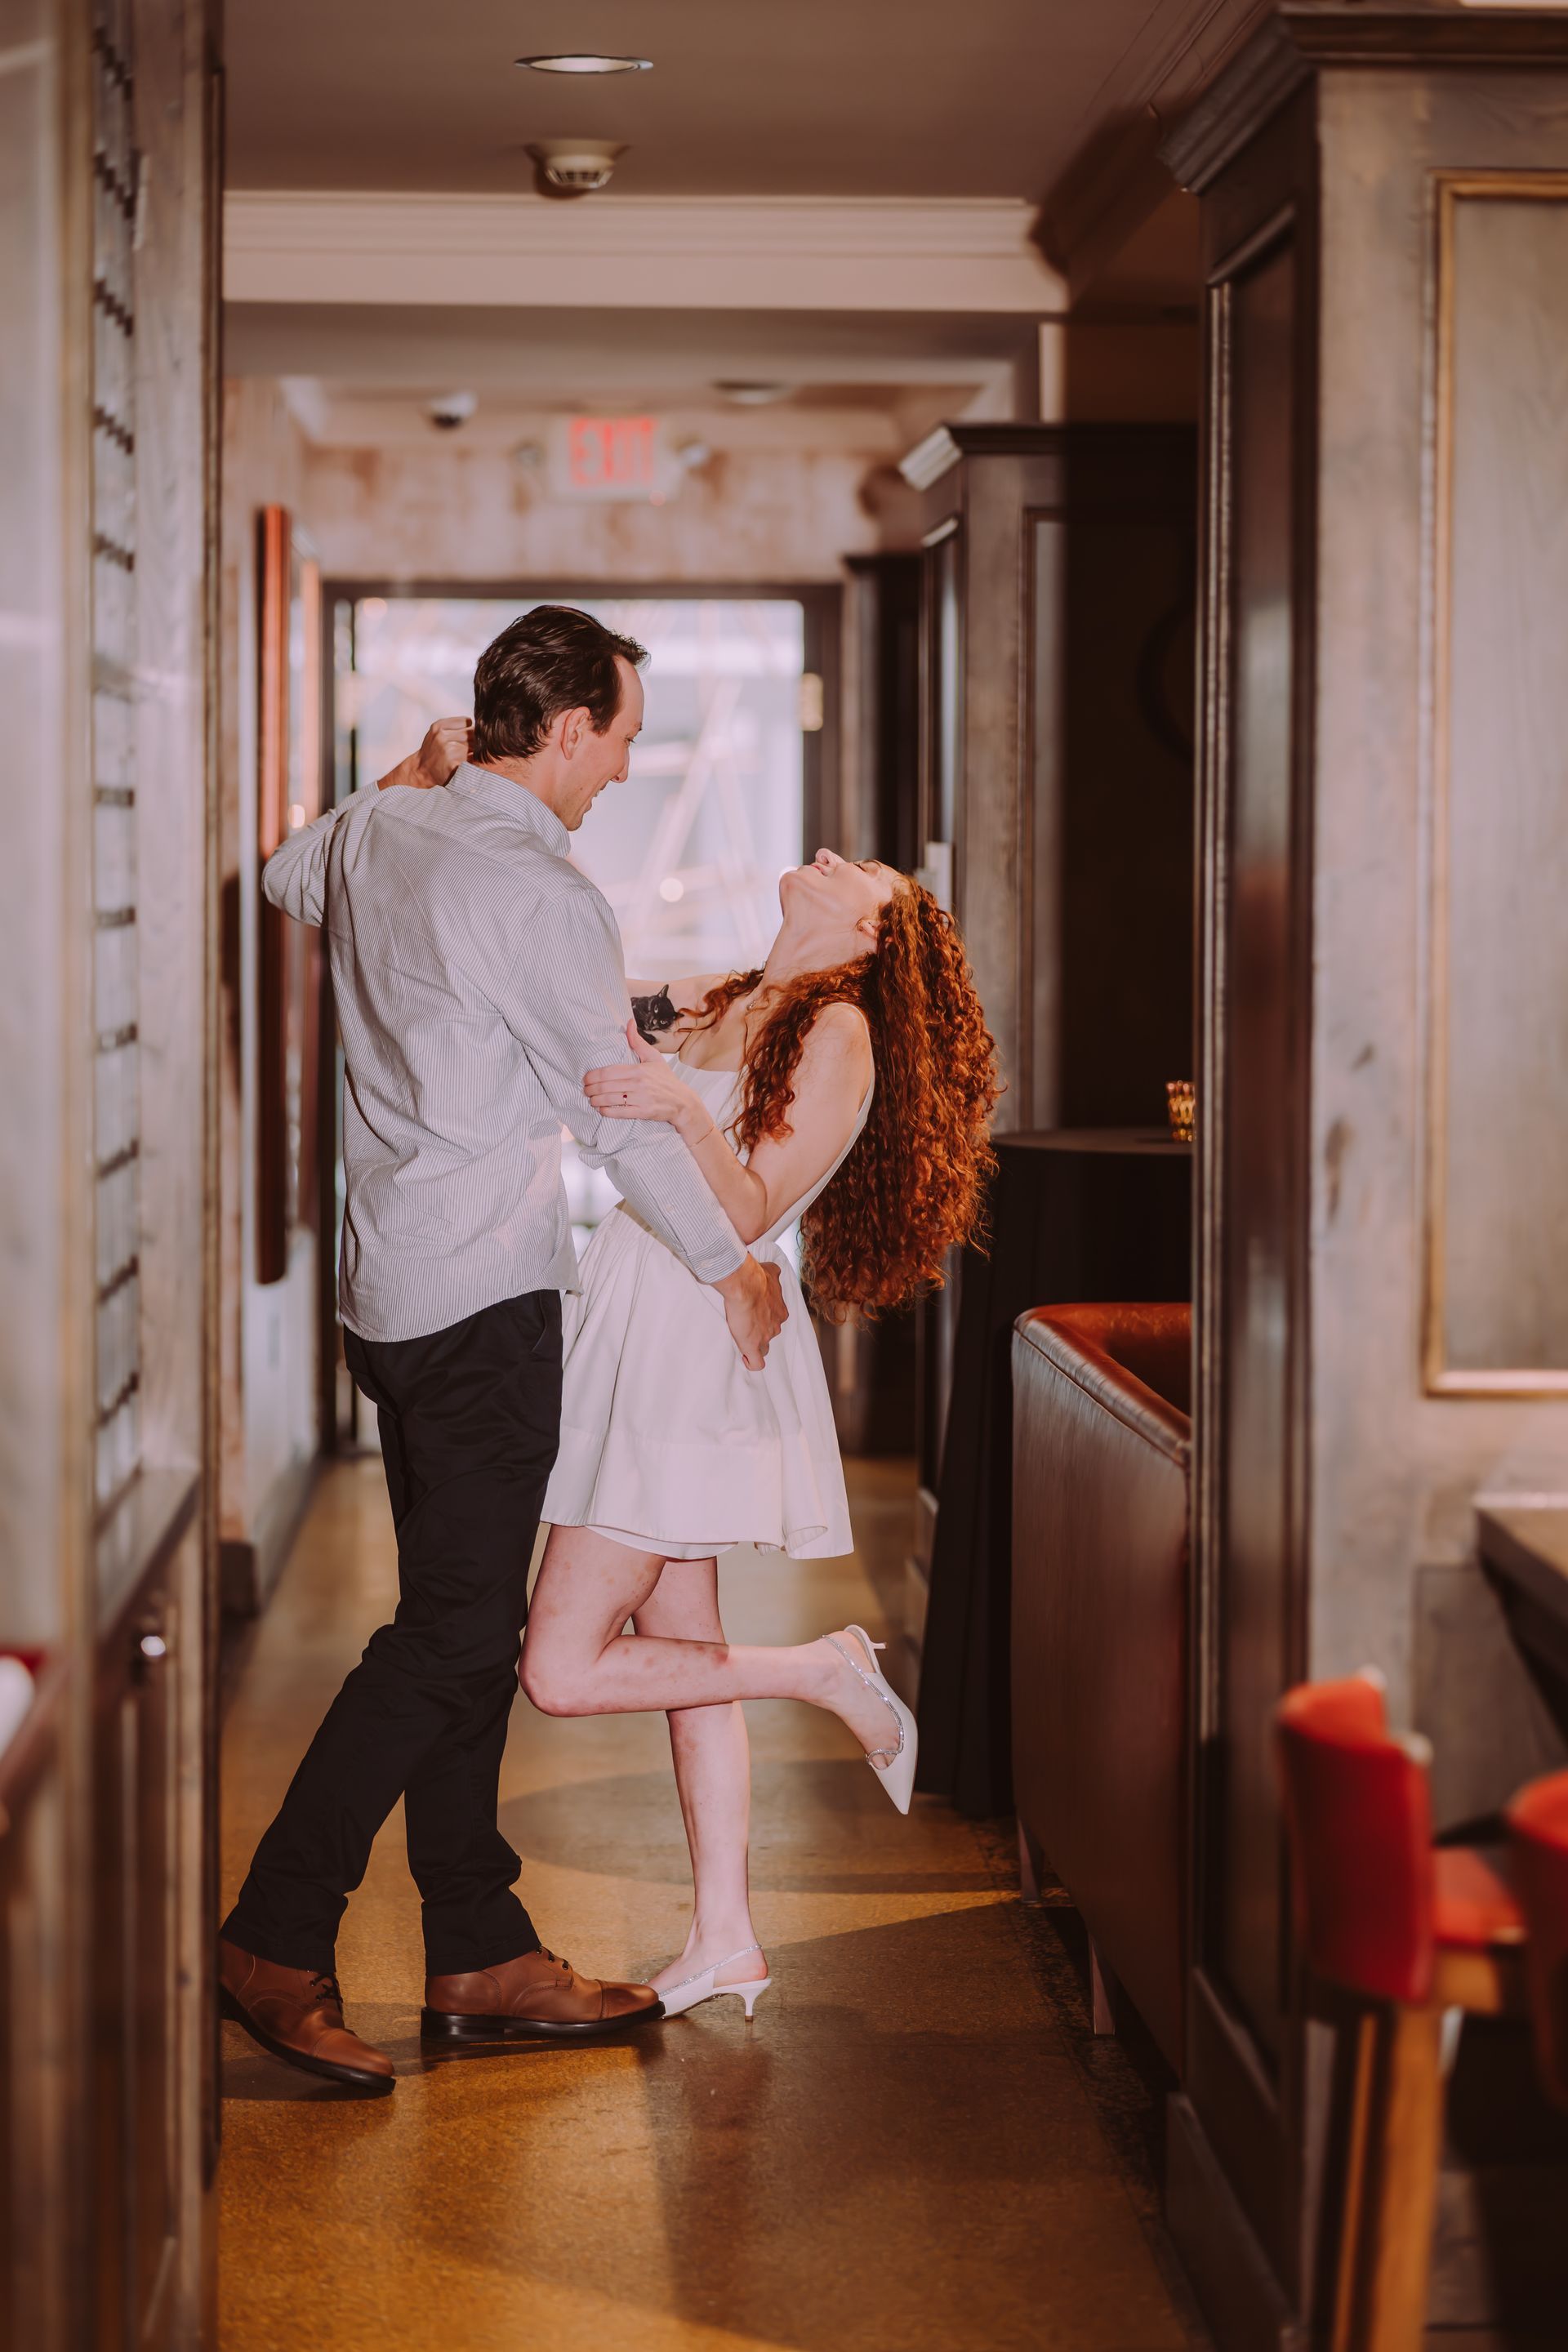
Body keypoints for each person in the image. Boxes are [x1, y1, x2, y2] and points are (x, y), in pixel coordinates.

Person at [217, 607, 787, 2093]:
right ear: (571, 726)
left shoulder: (389, 830)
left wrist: (406, 774)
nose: (624, 771)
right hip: (478, 1310)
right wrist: (732, 1267)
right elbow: (612, 1116)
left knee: (457, 1619)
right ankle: (274, 1938)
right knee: (457, 1639)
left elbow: (289, 874)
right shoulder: (541, 888)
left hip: (384, 1298)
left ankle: (478, 1946)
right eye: (624, 740)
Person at [516, 846, 999, 2020]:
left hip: (696, 1334)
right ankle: (725, 1937)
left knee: (559, 1668)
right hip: (644, 1307)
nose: (834, 855)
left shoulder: (841, 1035)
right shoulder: (741, 996)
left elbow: (750, 1209)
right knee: (684, 1644)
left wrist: (679, 1096)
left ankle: (823, 1670)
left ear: (877, 936)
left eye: (863, 871)